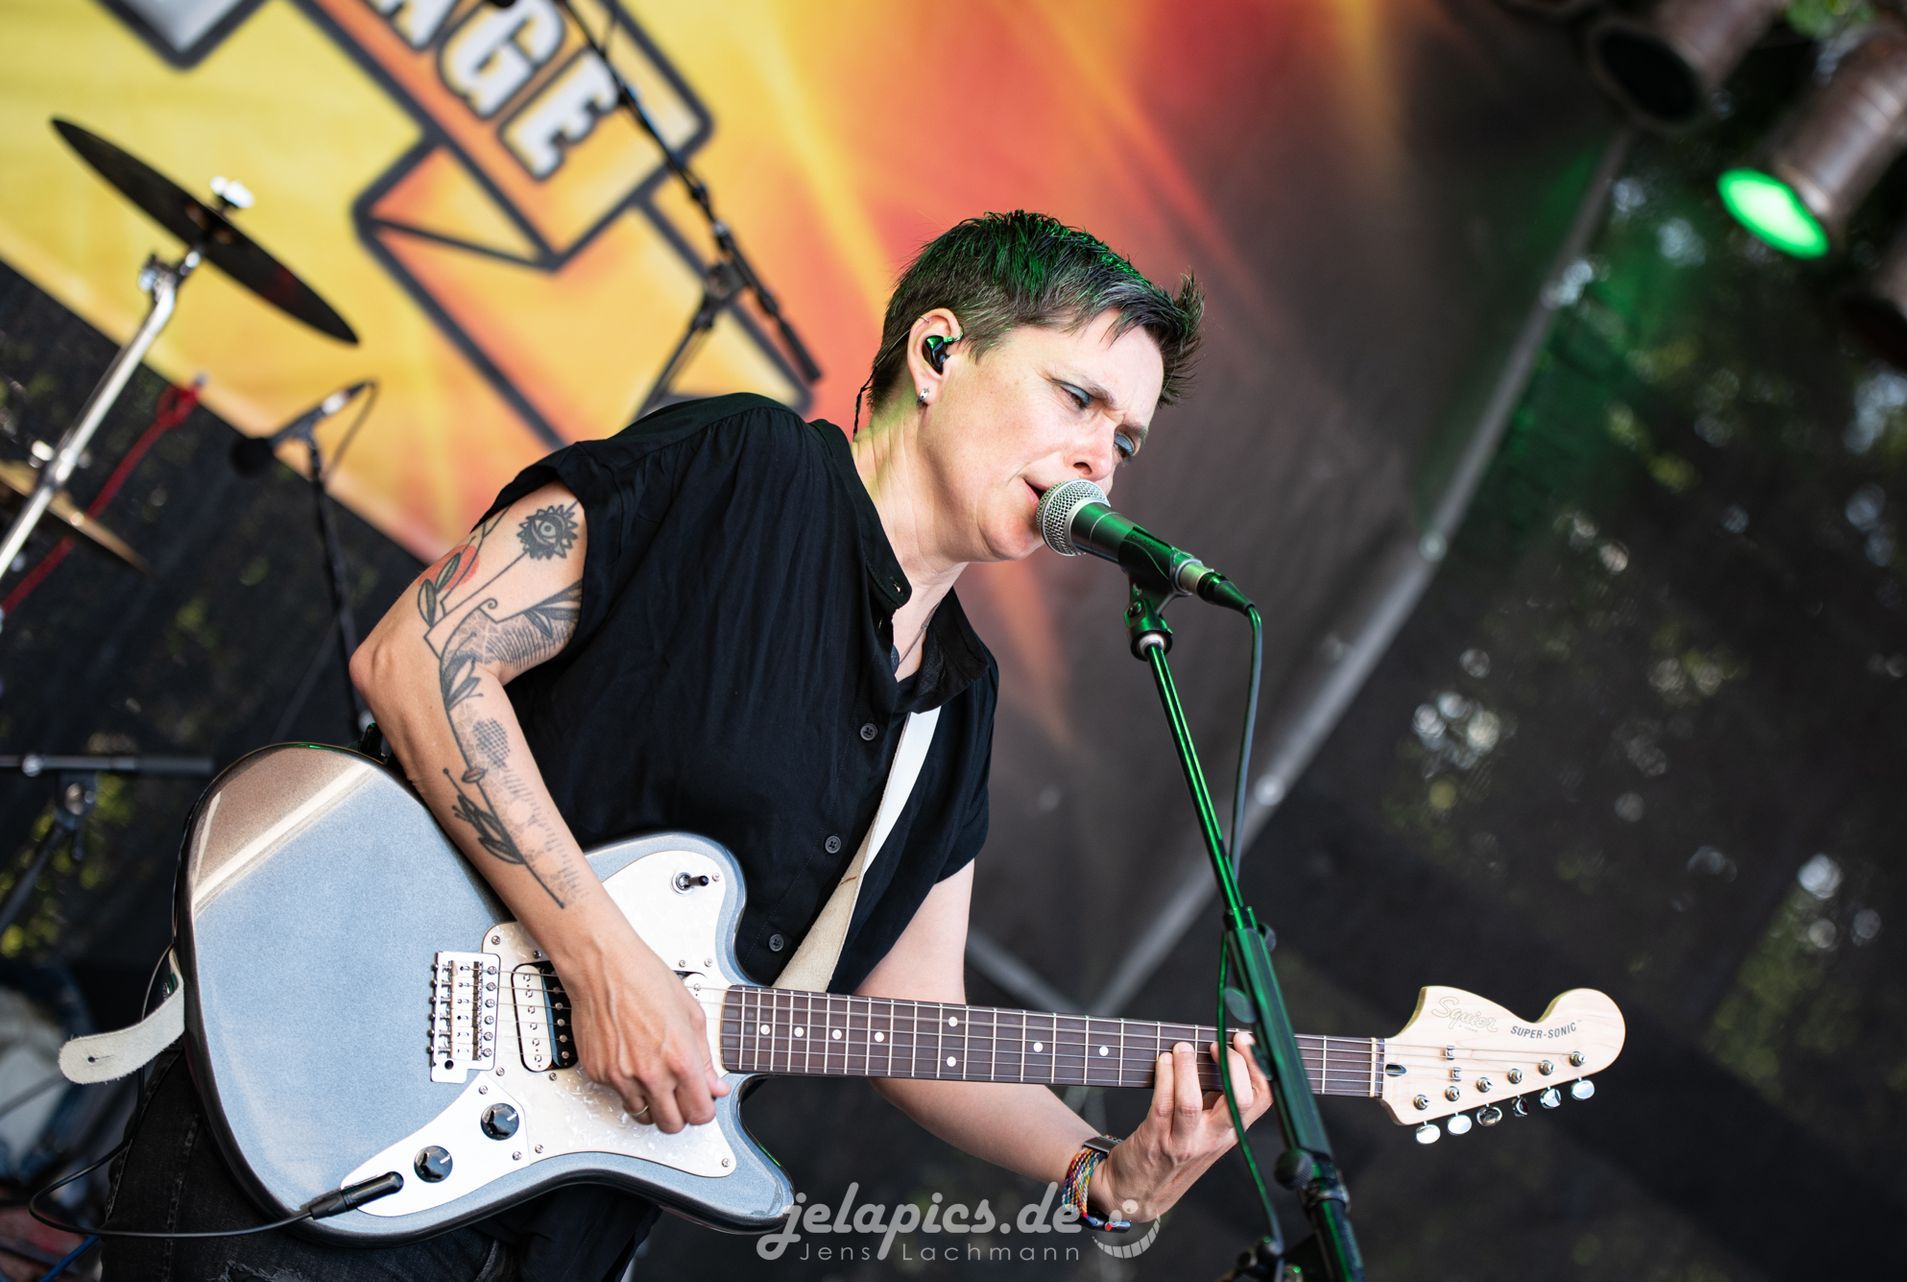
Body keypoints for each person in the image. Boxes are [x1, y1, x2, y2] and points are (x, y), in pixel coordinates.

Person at [100, 211, 1271, 1281]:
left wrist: (1104, 1174)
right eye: (1077, 398)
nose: (1101, 457)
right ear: (936, 353)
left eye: (1126, 437)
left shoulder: (957, 704)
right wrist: (604, 962)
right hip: (332, 1112)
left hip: (558, 1231)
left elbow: (916, 1015)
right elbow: (422, 657)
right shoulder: (741, 470)